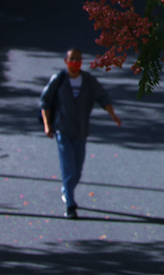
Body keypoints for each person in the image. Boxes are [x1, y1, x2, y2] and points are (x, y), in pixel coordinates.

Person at [40, 48, 121, 219]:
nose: (75, 62)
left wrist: (112, 115)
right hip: (63, 131)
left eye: (78, 59)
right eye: (72, 59)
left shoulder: (88, 81)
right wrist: (48, 125)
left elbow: (103, 97)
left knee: (77, 170)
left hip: (82, 132)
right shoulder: (59, 80)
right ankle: (70, 205)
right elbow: (45, 101)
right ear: (65, 61)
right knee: (68, 169)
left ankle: (66, 189)